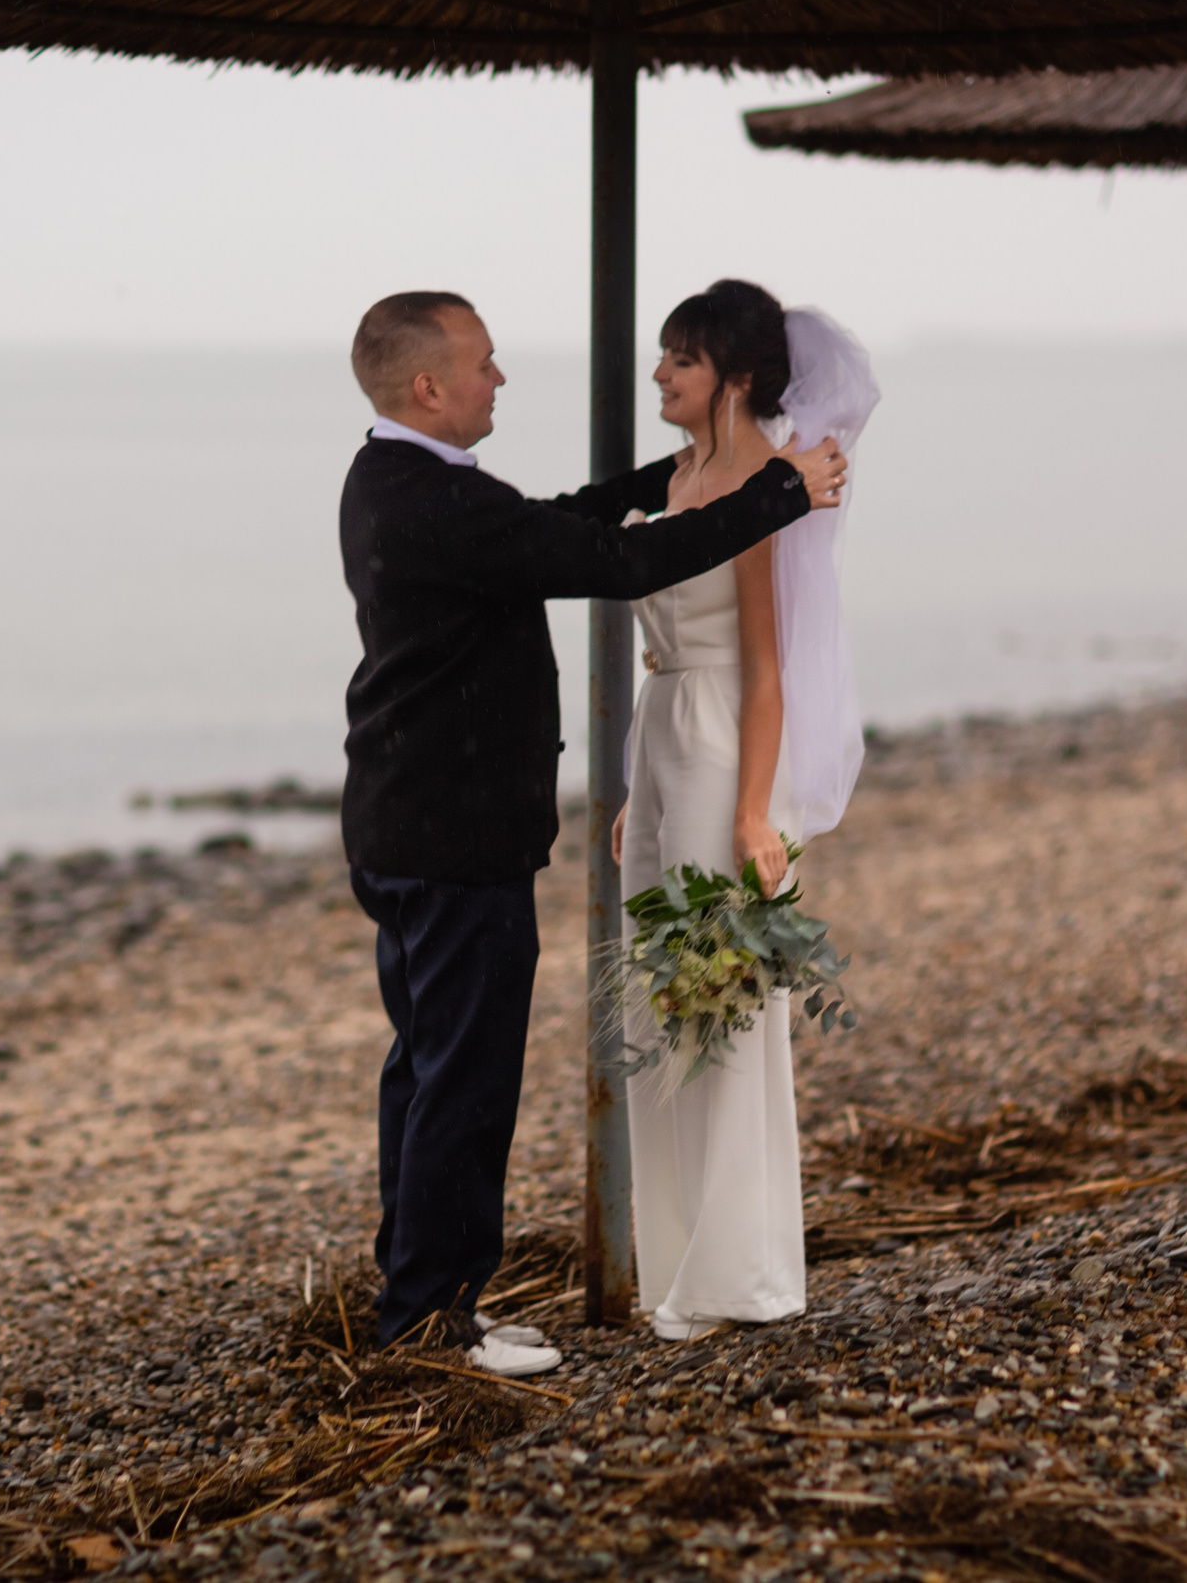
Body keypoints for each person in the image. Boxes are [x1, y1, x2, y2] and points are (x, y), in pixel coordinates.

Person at [338, 290, 848, 1378]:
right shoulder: (432, 499)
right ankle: (428, 1317)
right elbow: (612, 564)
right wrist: (774, 491)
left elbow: (572, 517)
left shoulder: (394, 476)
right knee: (460, 1078)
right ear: (427, 386)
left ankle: (426, 1298)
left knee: (427, 1069)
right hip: (451, 832)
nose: (498, 377)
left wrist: (704, 483)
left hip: (413, 822)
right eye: (481, 363)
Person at [612, 279, 880, 1341]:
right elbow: (658, 654)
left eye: (679, 357)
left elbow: (767, 672)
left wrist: (757, 814)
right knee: (652, 998)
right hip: (665, 731)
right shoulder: (675, 476)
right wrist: (638, 783)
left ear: (735, 375)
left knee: (716, 1001)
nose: (660, 375)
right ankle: (673, 1261)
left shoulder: (769, 482)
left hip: (729, 740)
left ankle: (738, 1271)